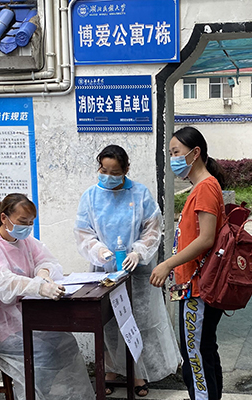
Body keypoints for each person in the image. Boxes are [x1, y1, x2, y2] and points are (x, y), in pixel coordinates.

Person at [74, 144, 181, 397]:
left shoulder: (140, 194)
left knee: (139, 322)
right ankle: (111, 370)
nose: (108, 176)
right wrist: (100, 251)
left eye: (115, 172)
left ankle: (138, 373)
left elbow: (152, 228)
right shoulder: (90, 196)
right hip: (105, 271)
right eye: (104, 170)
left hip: (137, 271)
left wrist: (138, 252)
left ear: (126, 169)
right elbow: (83, 232)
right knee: (109, 323)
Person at [0, 193, 95, 400]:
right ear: (4, 218)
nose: (27, 227)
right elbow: (0, 283)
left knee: (65, 343)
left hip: (25, 317)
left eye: (31, 222)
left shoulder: (25, 241)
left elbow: (47, 261)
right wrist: (37, 287)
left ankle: (57, 395)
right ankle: (32, 395)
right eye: (22, 221)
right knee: (41, 355)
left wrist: (43, 273)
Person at [150, 126, 227, 400]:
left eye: (176, 152)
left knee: (195, 355)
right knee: (204, 350)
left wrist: (167, 264)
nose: (173, 159)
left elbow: (206, 238)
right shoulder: (202, 187)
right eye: (171, 153)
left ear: (195, 153)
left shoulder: (205, 187)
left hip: (199, 288)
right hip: (197, 285)